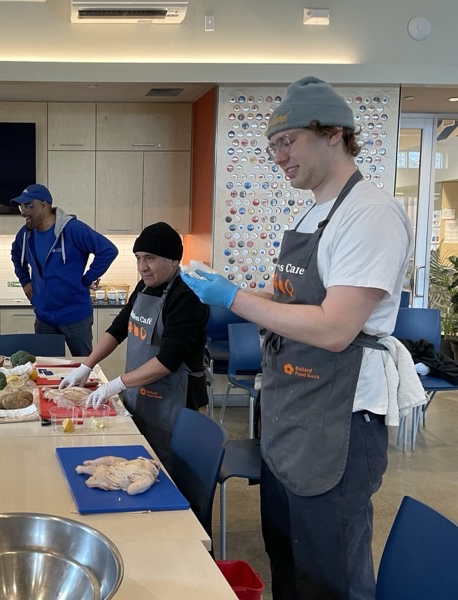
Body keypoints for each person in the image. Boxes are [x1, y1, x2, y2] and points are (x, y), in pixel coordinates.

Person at [181, 76, 413, 599]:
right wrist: (228, 288)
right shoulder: (312, 211)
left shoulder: (370, 214)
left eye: (288, 141)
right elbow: (283, 297)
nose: (279, 157)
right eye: (273, 147)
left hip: (338, 419)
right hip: (291, 410)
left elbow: (335, 328)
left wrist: (233, 298)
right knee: (287, 559)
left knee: (329, 574)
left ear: (334, 133)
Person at [60, 222, 208, 466]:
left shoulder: (187, 296)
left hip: (176, 399)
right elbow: (118, 329)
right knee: (138, 460)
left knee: (166, 466)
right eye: (138, 258)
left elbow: (167, 361)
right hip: (140, 391)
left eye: (150, 258)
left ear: (173, 260)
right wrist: (87, 365)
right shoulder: (144, 287)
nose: (142, 267)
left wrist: (116, 384)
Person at [10, 184, 118, 356]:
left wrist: (87, 279)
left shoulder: (72, 229)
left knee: (84, 365)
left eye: (28, 206)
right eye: (21, 206)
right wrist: (26, 282)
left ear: (44, 205)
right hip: (44, 317)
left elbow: (108, 250)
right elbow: (16, 256)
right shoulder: (25, 234)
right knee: (45, 367)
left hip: (75, 316)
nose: (23, 212)